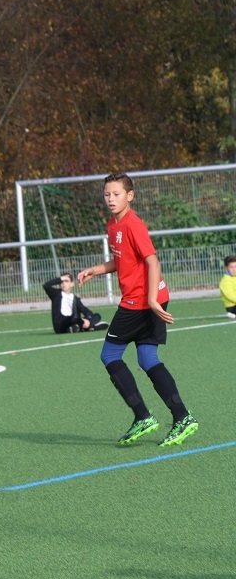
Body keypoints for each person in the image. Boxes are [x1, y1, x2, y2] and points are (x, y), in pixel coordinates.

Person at [77, 172, 198, 447]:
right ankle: (182, 416)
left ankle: (143, 416)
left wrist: (152, 300)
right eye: (107, 194)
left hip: (140, 301)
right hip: (151, 298)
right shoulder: (113, 224)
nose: (110, 199)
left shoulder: (133, 224)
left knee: (109, 354)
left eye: (116, 194)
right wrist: (97, 269)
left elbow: (153, 262)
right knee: (147, 358)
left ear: (130, 196)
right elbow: (124, 260)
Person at [43, 272, 108, 333]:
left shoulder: (75, 298)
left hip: (75, 320)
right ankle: (89, 327)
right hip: (61, 324)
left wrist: (88, 320)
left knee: (97, 315)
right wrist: (60, 278)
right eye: (62, 281)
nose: (64, 283)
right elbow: (46, 285)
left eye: (66, 281)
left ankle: (81, 326)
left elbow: (85, 310)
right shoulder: (56, 294)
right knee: (74, 318)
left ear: (72, 284)